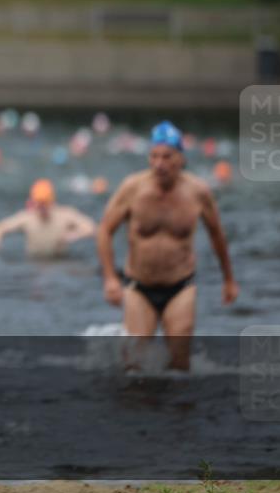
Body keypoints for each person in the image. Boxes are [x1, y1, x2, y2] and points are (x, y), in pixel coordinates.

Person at [97, 121, 239, 370]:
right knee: (134, 366)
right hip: (139, 287)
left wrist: (228, 279)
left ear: (180, 158)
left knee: (180, 364)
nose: (159, 164)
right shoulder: (133, 188)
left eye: (166, 156)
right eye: (153, 156)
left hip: (180, 287)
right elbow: (104, 231)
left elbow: (217, 235)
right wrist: (109, 278)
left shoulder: (198, 192)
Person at [0, 179, 96, 259]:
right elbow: (0, 227)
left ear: (52, 201)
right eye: (39, 203)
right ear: (33, 202)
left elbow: (93, 228)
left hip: (60, 263)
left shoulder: (65, 215)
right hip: (33, 262)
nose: (41, 207)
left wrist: (73, 235)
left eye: (45, 203)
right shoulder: (27, 217)